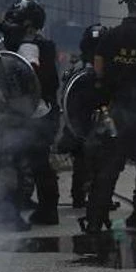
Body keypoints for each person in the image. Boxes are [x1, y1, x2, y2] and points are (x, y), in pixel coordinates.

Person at [83, 0, 136, 234]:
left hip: (115, 113)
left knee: (107, 169)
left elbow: (97, 74)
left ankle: (95, 219)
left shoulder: (109, 37)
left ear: (127, 3)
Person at [0, 0, 61, 225]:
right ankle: (43, 208)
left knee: (18, 161)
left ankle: (14, 213)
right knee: (33, 162)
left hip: (31, 113)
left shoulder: (31, 48)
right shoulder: (32, 46)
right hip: (30, 113)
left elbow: (30, 82)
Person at [0, 32, 40, 231]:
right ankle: (8, 216)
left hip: (0, 124)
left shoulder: (1, 65)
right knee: (8, 168)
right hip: (2, 126)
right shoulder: (0, 66)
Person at [57, 24, 108, 209]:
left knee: (90, 162)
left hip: (90, 121)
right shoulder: (82, 68)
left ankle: (88, 197)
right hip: (82, 122)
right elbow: (68, 97)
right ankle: (91, 198)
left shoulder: (80, 66)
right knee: (93, 162)